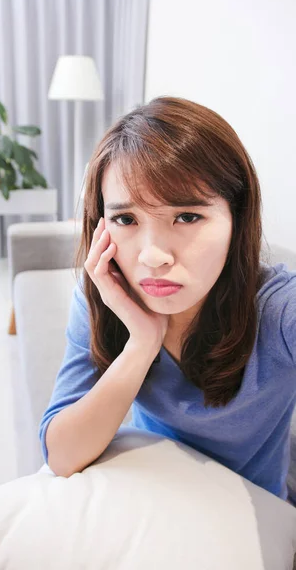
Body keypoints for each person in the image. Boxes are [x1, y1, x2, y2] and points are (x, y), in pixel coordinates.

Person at [39, 96, 296, 504]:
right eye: (126, 219)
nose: (153, 255)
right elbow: (62, 455)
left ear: (237, 218)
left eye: (187, 217)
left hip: (253, 516)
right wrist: (141, 344)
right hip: (157, 497)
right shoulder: (105, 297)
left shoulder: (279, 310)